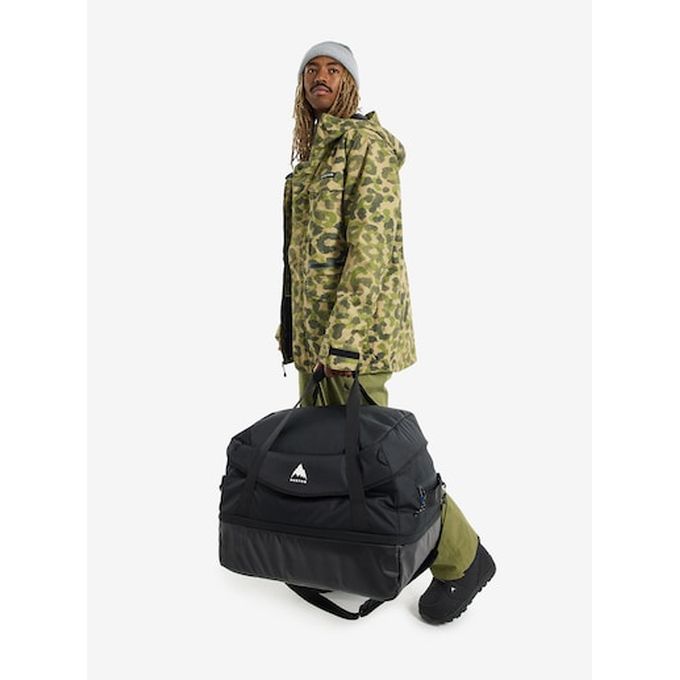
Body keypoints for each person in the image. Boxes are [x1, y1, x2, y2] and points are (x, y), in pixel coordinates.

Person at [275, 40, 495, 624]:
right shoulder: (309, 161)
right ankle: (341, 551)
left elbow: (369, 251)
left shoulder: (365, 147)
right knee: (328, 457)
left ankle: (464, 558)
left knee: (382, 460)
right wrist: (292, 330)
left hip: (356, 343)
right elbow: (298, 260)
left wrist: (344, 342)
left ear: (350, 83)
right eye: (311, 70)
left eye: (333, 69)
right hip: (316, 345)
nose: (320, 77)